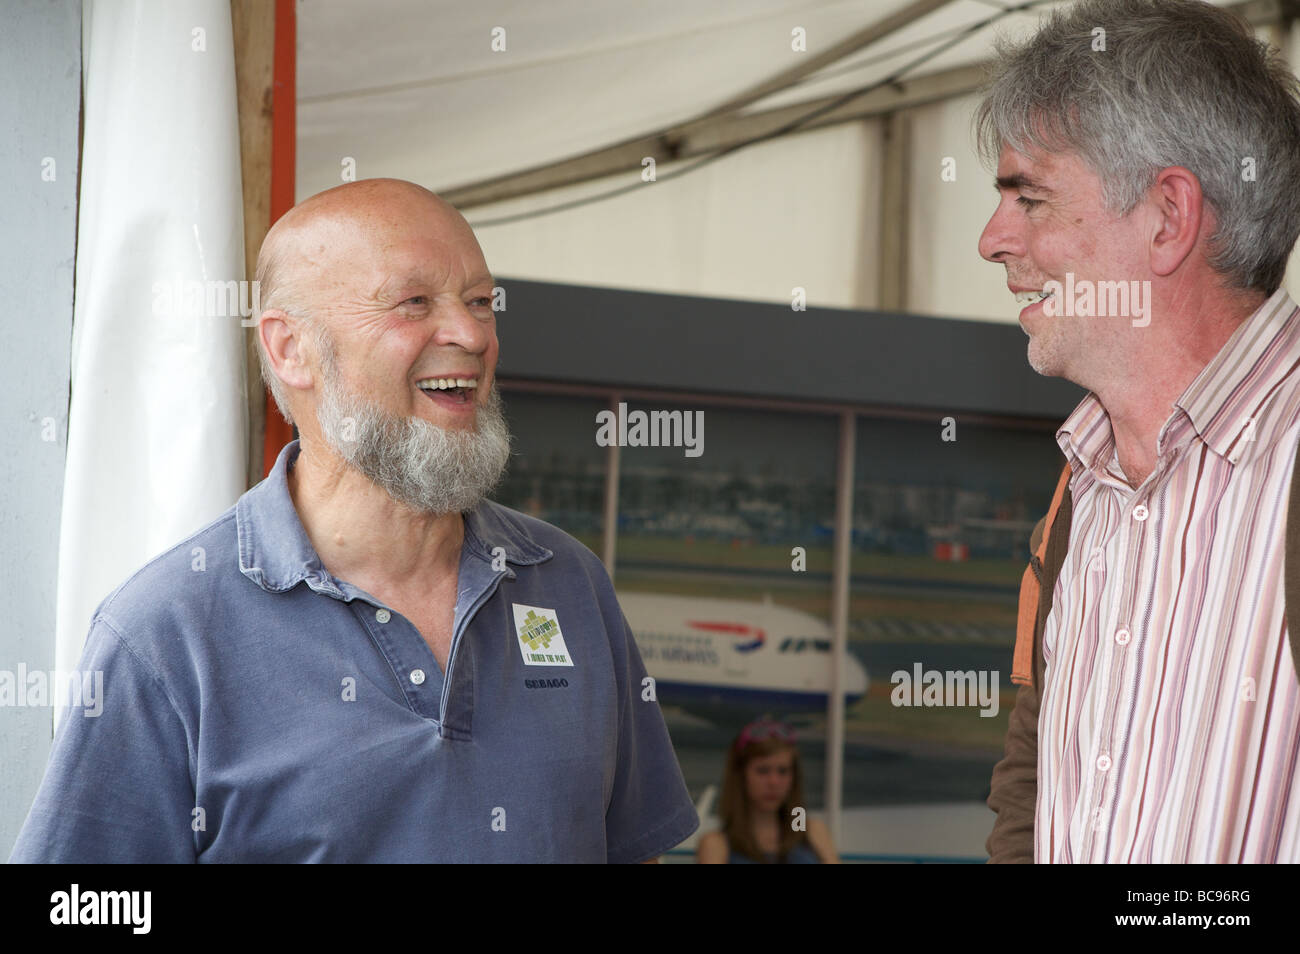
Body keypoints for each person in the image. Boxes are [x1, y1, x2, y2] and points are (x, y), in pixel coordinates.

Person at [10, 178, 698, 863]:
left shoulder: (568, 583)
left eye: (482, 301)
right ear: (291, 349)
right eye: (414, 302)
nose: (470, 333)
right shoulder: (167, 634)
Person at [977, 0, 1300, 862]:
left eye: (1030, 197)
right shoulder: (1081, 494)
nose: (991, 240)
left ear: (1168, 218)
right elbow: (1029, 796)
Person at [696, 719, 838, 863]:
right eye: (763, 771)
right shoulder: (716, 844)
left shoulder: (813, 832)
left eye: (783, 771)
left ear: (794, 777)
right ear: (741, 775)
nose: (773, 782)